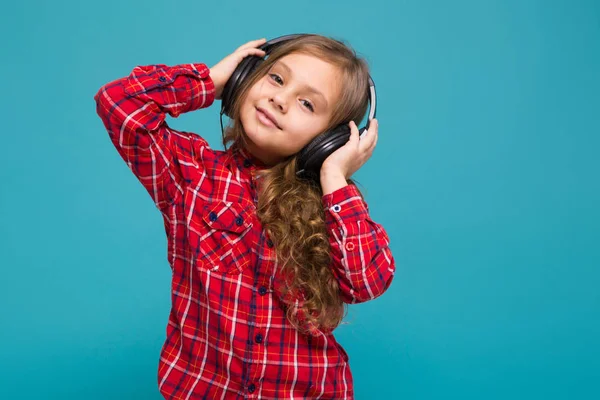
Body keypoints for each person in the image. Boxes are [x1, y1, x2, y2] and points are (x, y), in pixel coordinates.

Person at [94, 33, 395, 399]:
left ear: (329, 139)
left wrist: (334, 178)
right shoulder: (190, 174)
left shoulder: (333, 208)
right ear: (247, 76)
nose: (279, 99)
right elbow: (118, 103)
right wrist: (210, 82)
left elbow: (366, 281)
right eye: (276, 78)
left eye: (306, 103)